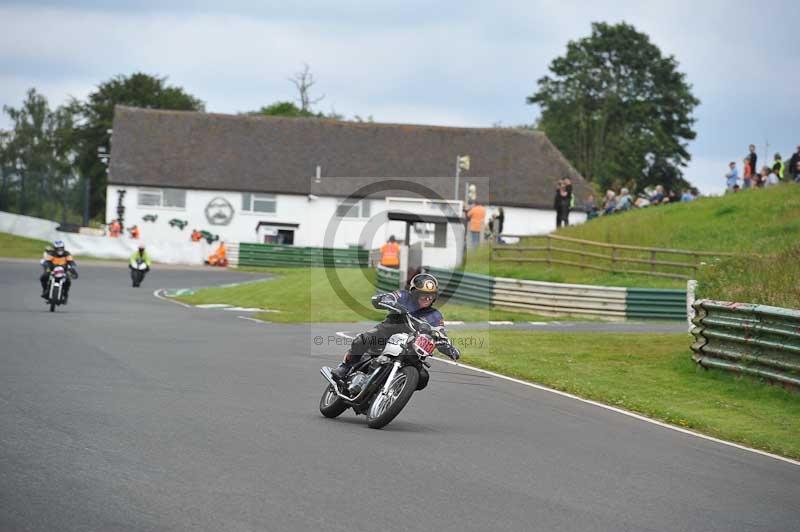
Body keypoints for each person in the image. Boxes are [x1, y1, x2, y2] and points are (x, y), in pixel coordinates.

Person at [330, 273, 460, 381]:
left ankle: (397, 388)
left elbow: (441, 334)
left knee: (423, 378)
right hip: (387, 333)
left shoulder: (435, 315)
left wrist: (449, 347)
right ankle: (345, 367)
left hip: (411, 348)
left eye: (431, 295)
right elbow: (389, 297)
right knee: (362, 340)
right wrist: (388, 301)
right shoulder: (403, 296)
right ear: (414, 293)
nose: (427, 298)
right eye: (423, 294)